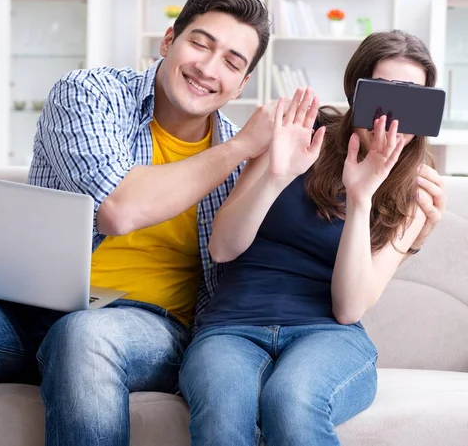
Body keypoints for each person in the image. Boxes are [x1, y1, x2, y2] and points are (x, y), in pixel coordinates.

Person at [0, 0, 278, 446]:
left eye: (232, 62)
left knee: (83, 335)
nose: (208, 69)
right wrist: (237, 150)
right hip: (29, 303)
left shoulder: (243, 163)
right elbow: (118, 209)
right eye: (200, 43)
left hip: (150, 327)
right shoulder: (92, 95)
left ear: (243, 83)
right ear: (168, 40)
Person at [178, 29, 448, 446]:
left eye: (412, 96)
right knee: (223, 410)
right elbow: (222, 247)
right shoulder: (301, 131)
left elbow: (349, 308)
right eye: (384, 94)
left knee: (291, 399)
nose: (393, 118)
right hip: (232, 326)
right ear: (356, 91)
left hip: (327, 335)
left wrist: (361, 198)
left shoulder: (415, 188)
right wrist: (276, 176)